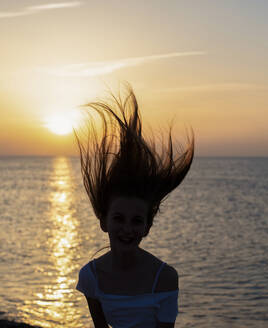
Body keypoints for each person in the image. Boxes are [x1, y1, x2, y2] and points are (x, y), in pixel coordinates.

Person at [75, 85, 194, 328]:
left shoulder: (165, 278)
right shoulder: (91, 277)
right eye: (119, 218)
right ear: (103, 221)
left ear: (147, 227)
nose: (127, 229)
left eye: (137, 221)